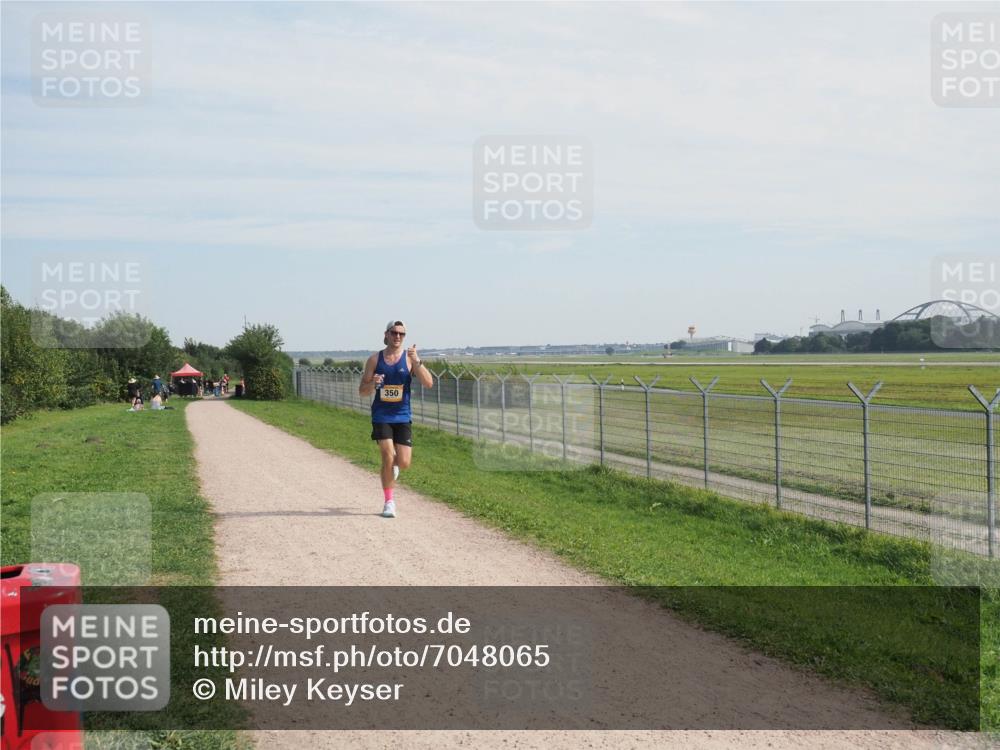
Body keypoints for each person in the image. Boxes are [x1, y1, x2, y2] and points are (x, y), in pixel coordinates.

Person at [359, 320, 434, 518]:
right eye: (394, 333)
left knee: (404, 462)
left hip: (402, 416)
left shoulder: (409, 359)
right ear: (387, 334)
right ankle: (389, 502)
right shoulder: (374, 360)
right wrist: (373, 384)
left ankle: (392, 468)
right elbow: (362, 391)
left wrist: (417, 361)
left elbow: (429, 383)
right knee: (387, 455)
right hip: (381, 415)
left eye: (401, 334)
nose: (398, 336)